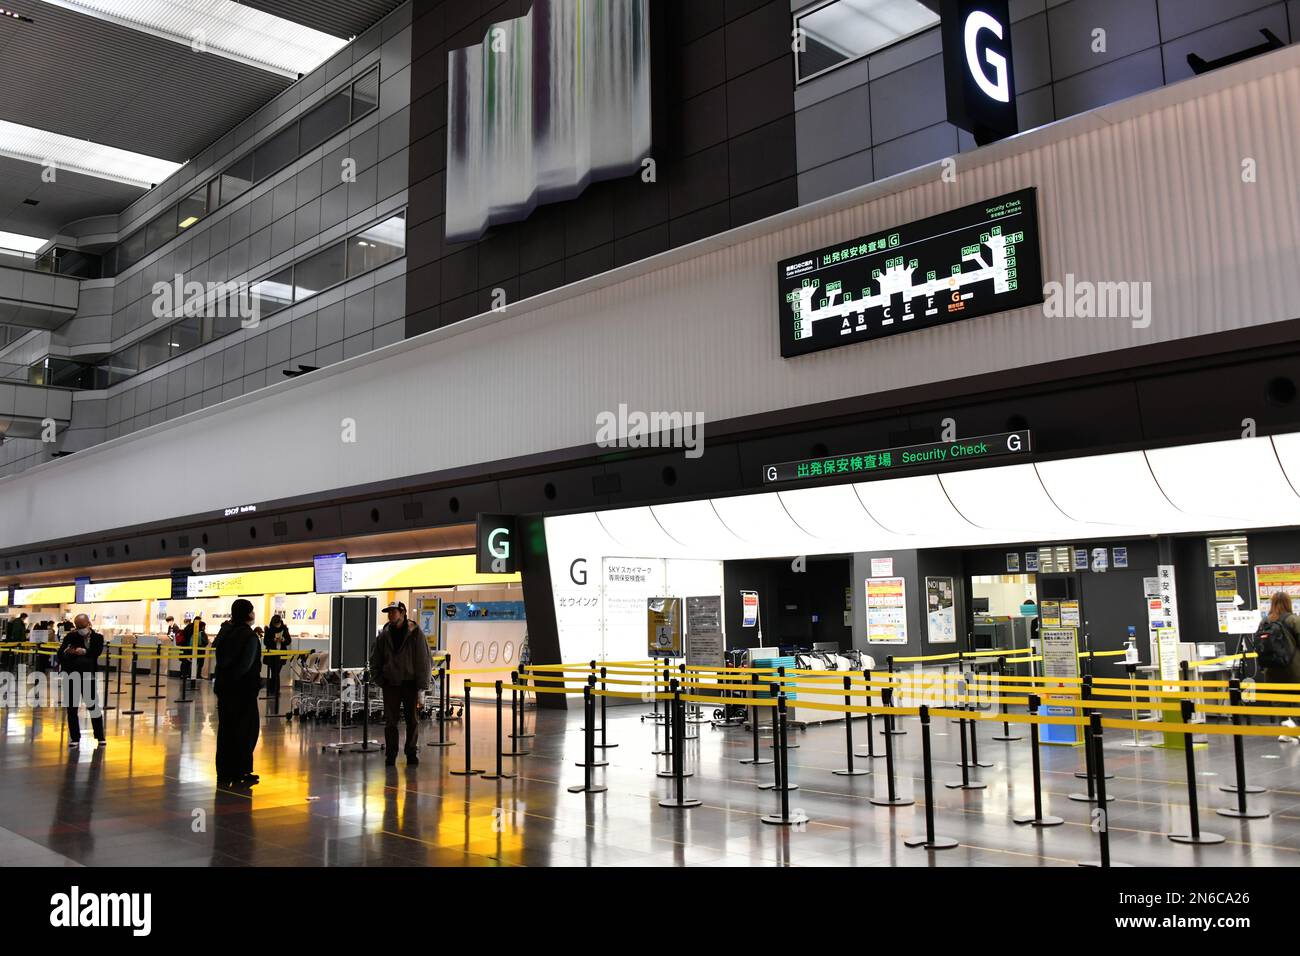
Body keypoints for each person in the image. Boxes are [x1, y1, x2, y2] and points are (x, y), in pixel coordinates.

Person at [368, 601, 431, 767]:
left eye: (393, 611)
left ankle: (411, 752)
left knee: (412, 721)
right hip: (391, 685)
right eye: (388, 612)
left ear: (402, 613)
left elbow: (423, 661)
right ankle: (391, 754)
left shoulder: (415, 633)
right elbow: (375, 660)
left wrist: (422, 687)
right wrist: (380, 679)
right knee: (390, 722)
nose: (390, 615)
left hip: (410, 684)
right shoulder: (383, 635)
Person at [213, 599, 262, 788]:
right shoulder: (249, 636)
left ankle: (224, 771)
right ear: (248, 614)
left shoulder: (225, 632)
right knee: (246, 731)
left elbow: (220, 656)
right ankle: (241, 770)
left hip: (225, 689)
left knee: (226, 730)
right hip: (243, 691)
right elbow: (245, 666)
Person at [58, 614, 106, 748]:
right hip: (71, 675)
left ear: (89, 624)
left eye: (82, 626)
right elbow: (60, 653)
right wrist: (70, 652)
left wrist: (84, 651)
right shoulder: (71, 637)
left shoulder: (97, 637)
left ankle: (100, 736)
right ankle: (75, 737)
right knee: (72, 708)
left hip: (88, 675)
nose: (80, 629)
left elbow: (97, 652)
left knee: (93, 706)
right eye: (78, 627)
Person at [1261, 592, 1300, 743]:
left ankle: (1284, 731)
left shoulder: (1265, 621)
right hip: (1293, 670)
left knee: (1279, 700)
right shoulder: (1293, 620)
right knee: (1297, 699)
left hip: (1271, 670)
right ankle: (1295, 728)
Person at [263, 615, 292, 697]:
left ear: (280, 622)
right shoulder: (268, 630)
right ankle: (274, 690)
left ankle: (273, 690)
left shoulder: (284, 629)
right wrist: (273, 640)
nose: (276, 626)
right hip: (271, 655)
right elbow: (265, 642)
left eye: (277, 624)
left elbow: (289, 641)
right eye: (275, 624)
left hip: (281, 654)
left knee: (276, 672)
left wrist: (283, 640)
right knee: (274, 672)